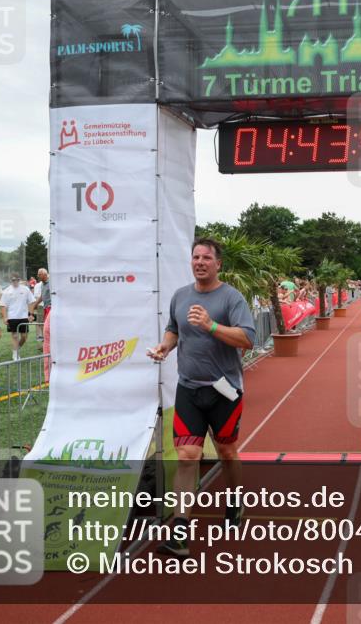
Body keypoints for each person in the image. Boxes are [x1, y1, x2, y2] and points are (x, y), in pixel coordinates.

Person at [148, 238, 255, 556]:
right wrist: (164, 347)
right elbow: (174, 329)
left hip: (224, 390)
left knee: (226, 452)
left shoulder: (231, 297)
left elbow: (248, 338)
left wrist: (211, 326)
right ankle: (180, 529)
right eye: (195, 257)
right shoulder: (180, 296)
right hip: (189, 389)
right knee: (187, 456)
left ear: (218, 264)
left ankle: (235, 503)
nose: (200, 262)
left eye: (206, 257)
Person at [0, 274, 34, 361]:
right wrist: (4, 317)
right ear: (10, 281)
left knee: (24, 336)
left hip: (23, 316)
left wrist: (31, 314)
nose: (15, 282)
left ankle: (16, 348)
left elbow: (31, 302)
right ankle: (15, 354)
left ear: (19, 280)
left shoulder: (25, 289)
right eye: (13, 280)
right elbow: (3, 305)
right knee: (15, 336)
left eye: (17, 280)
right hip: (12, 317)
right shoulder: (7, 291)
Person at [31, 268, 51, 341]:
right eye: (38, 274)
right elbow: (42, 296)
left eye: (39, 274)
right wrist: (34, 305)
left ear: (45, 274)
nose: (38, 276)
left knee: (48, 327)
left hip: (51, 308)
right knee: (46, 326)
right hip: (45, 308)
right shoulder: (42, 284)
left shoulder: (52, 283)